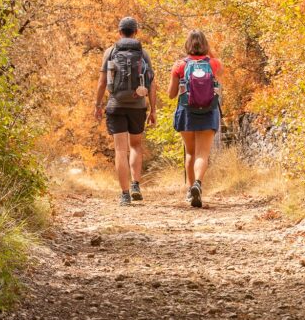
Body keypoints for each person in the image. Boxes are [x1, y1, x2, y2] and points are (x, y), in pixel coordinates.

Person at [94, 16, 157, 206]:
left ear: (119, 32)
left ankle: (124, 195)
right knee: (135, 145)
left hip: (116, 105)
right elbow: (152, 84)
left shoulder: (110, 52)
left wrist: (97, 105)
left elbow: (102, 82)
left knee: (120, 150)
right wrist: (153, 110)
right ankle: (136, 184)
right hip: (138, 106)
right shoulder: (143, 54)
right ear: (136, 32)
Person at [168, 29, 222, 208]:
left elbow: (171, 94)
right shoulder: (214, 64)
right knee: (202, 153)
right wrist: (208, 53)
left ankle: (191, 190)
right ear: (205, 45)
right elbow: (219, 85)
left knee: (190, 152)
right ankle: (199, 183)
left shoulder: (180, 65)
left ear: (187, 45)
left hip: (186, 112)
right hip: (208, 111)